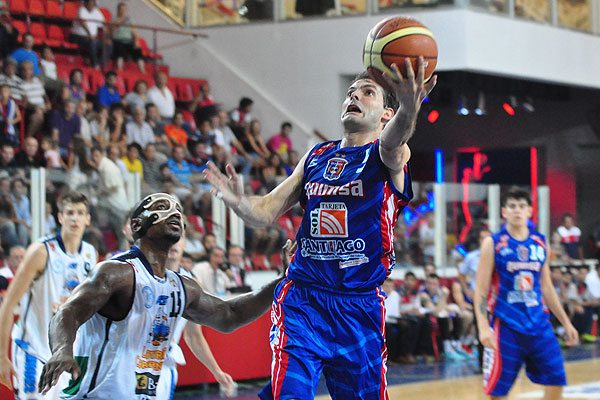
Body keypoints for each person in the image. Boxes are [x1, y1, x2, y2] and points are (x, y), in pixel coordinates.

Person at [205, 58, 436, 398]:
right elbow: (265, 210)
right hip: (303, 299)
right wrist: (239, 202)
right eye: (350, 92)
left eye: (367, 92)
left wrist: (409, 107)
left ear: (387, 114)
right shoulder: (317, 156)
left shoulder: (387, 155)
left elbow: (394, 141)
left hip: (358, 305)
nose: (353, 96)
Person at [36, 193, 284, 398]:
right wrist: (62, 349)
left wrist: (283, 280)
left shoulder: (183, 286)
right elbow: (67, 312)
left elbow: (230, 316)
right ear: (136, 225)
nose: (174, 212)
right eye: (162, 207)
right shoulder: (116, 272)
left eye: (178, 210)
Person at [474, 187, 579, 400]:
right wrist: (483, 328)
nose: (517, 210)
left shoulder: (540, 242)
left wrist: (566, 322)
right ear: (504, 211)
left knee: (557, 379)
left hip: (539, 324)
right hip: (506, 326)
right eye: (512, 206)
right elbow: (481, 290)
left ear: (530, 211)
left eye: (522, 206)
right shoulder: (493, 243)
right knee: (498, 392)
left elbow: (547, 287)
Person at [0, 191, 97, 399]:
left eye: (80, 213)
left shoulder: (90, 253)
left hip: (65, 354)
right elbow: (8, 303)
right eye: (70, 213)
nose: (75, 218)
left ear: (88, 219)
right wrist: (1, 356)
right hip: (33, 350)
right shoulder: (41, 251)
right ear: (60, 217)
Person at [156, 235, 235, 399]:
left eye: (178, 237)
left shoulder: (191, 285)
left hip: (166, 365)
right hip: (134, 361)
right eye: (169, 235)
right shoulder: (141, 274)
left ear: (185, 244)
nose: (173, 241)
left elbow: (194, 335)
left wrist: (216, 371)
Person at [458, 227, 491, 370]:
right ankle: (482, 364)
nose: (485, 241)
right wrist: (467, 290)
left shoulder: (498, 255)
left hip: (495, 298)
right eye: (482, 238)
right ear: (479, 240)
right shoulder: (471, 257)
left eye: (487, 238)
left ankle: (497, 362)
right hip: (479, 298)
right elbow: (461, 273)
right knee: (480, 329)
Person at [70, 0, 109, 69]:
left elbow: (104, 24)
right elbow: (83, 22)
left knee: (108, 44)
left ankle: (99, 64)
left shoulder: (96, 12)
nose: (91, 5)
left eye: (93, 4)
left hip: (92, 38)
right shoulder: (81, 10)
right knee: (92, 42)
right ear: (85, 3)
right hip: (78, 37)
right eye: (90, 4)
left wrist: (107, 36)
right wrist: (89, 34)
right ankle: (94, 64)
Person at [111, 2, 145, 73]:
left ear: (126, 10)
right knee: (119, 48)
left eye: (124, 9)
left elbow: (134, 33)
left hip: (128, 41)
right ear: (118, 10)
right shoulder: (114, 19)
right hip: (118, 41)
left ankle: (142, 69)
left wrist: (136, 42)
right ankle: (120, 68)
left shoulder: (130, 20)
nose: (122, 11)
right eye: (121, 9)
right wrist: (117, 24)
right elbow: (111, 32)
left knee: (138, 50)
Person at [0, 83, 21, 147]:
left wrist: (13, 121)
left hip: (10, 126)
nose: (4, 93)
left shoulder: (13, 103)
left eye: (6, 91)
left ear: (9, 93)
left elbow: (19, 117)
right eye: (2, 91)